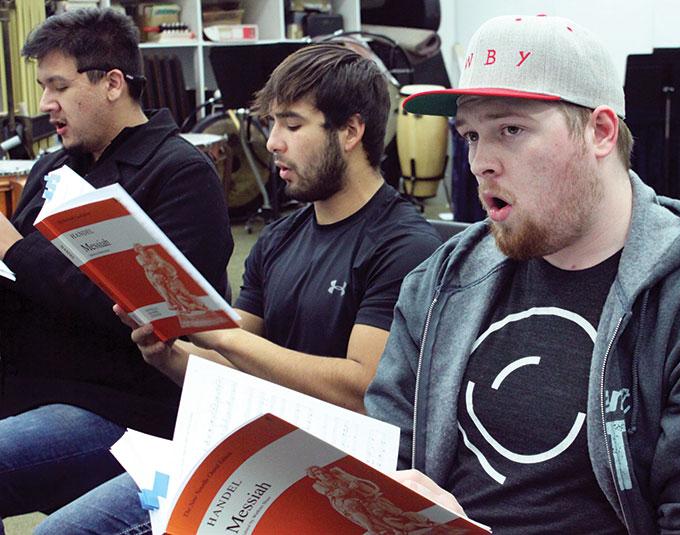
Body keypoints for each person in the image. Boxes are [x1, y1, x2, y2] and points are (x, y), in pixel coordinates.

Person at [366, 14, 680, 533]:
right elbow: (388, 446)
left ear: (600, 131)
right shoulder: (443, 280)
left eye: (511, 129)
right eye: (472, 136)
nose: (481, 162)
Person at [39, 43, 442, 533]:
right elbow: (233, 367)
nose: (272, 143)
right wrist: (172, 357)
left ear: (351, 131)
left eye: (292, 125)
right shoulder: (279, 236)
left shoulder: (403, 245)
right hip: (253, 452)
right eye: (272, 124)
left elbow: (362, 390)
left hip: (332, 474)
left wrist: (222, 336)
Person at [0, 8, 232, 534]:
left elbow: (154, 312)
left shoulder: (180, 175)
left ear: (111, 83)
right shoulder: (53, 168)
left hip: (124, 405)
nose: (45, 105)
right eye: (42, 87)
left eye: (58, 86)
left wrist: (15, 249)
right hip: (38, 383)